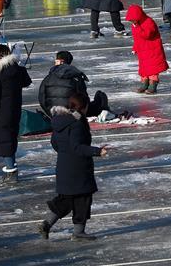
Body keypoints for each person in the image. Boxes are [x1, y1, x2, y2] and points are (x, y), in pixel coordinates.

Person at [36, 92, 107, 242]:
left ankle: (47, 224)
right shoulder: (77, 124)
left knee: (65, 200)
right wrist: (97, 151)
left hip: (63, 166)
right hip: (78, 169)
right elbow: (77, 147)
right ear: (84, 107)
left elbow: (55, 143)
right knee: (83, 199)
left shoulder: (60, 120)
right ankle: (78, 232)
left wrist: (64, 153)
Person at [0, 44, 32, 186]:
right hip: (14, 111)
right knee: (9, 140)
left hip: (0, 114)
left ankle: (11, 171)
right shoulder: (16, 69)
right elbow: (26, 81)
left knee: (4, 142)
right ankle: (10, 169)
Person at [38, 51, 108, 118]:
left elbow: (41, 98)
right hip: (73, 114)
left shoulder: (48, 78)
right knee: (100, 95)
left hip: (54, 113)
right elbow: (83, 97)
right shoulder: (75, 76)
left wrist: (50, 113)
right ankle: (104, 111)